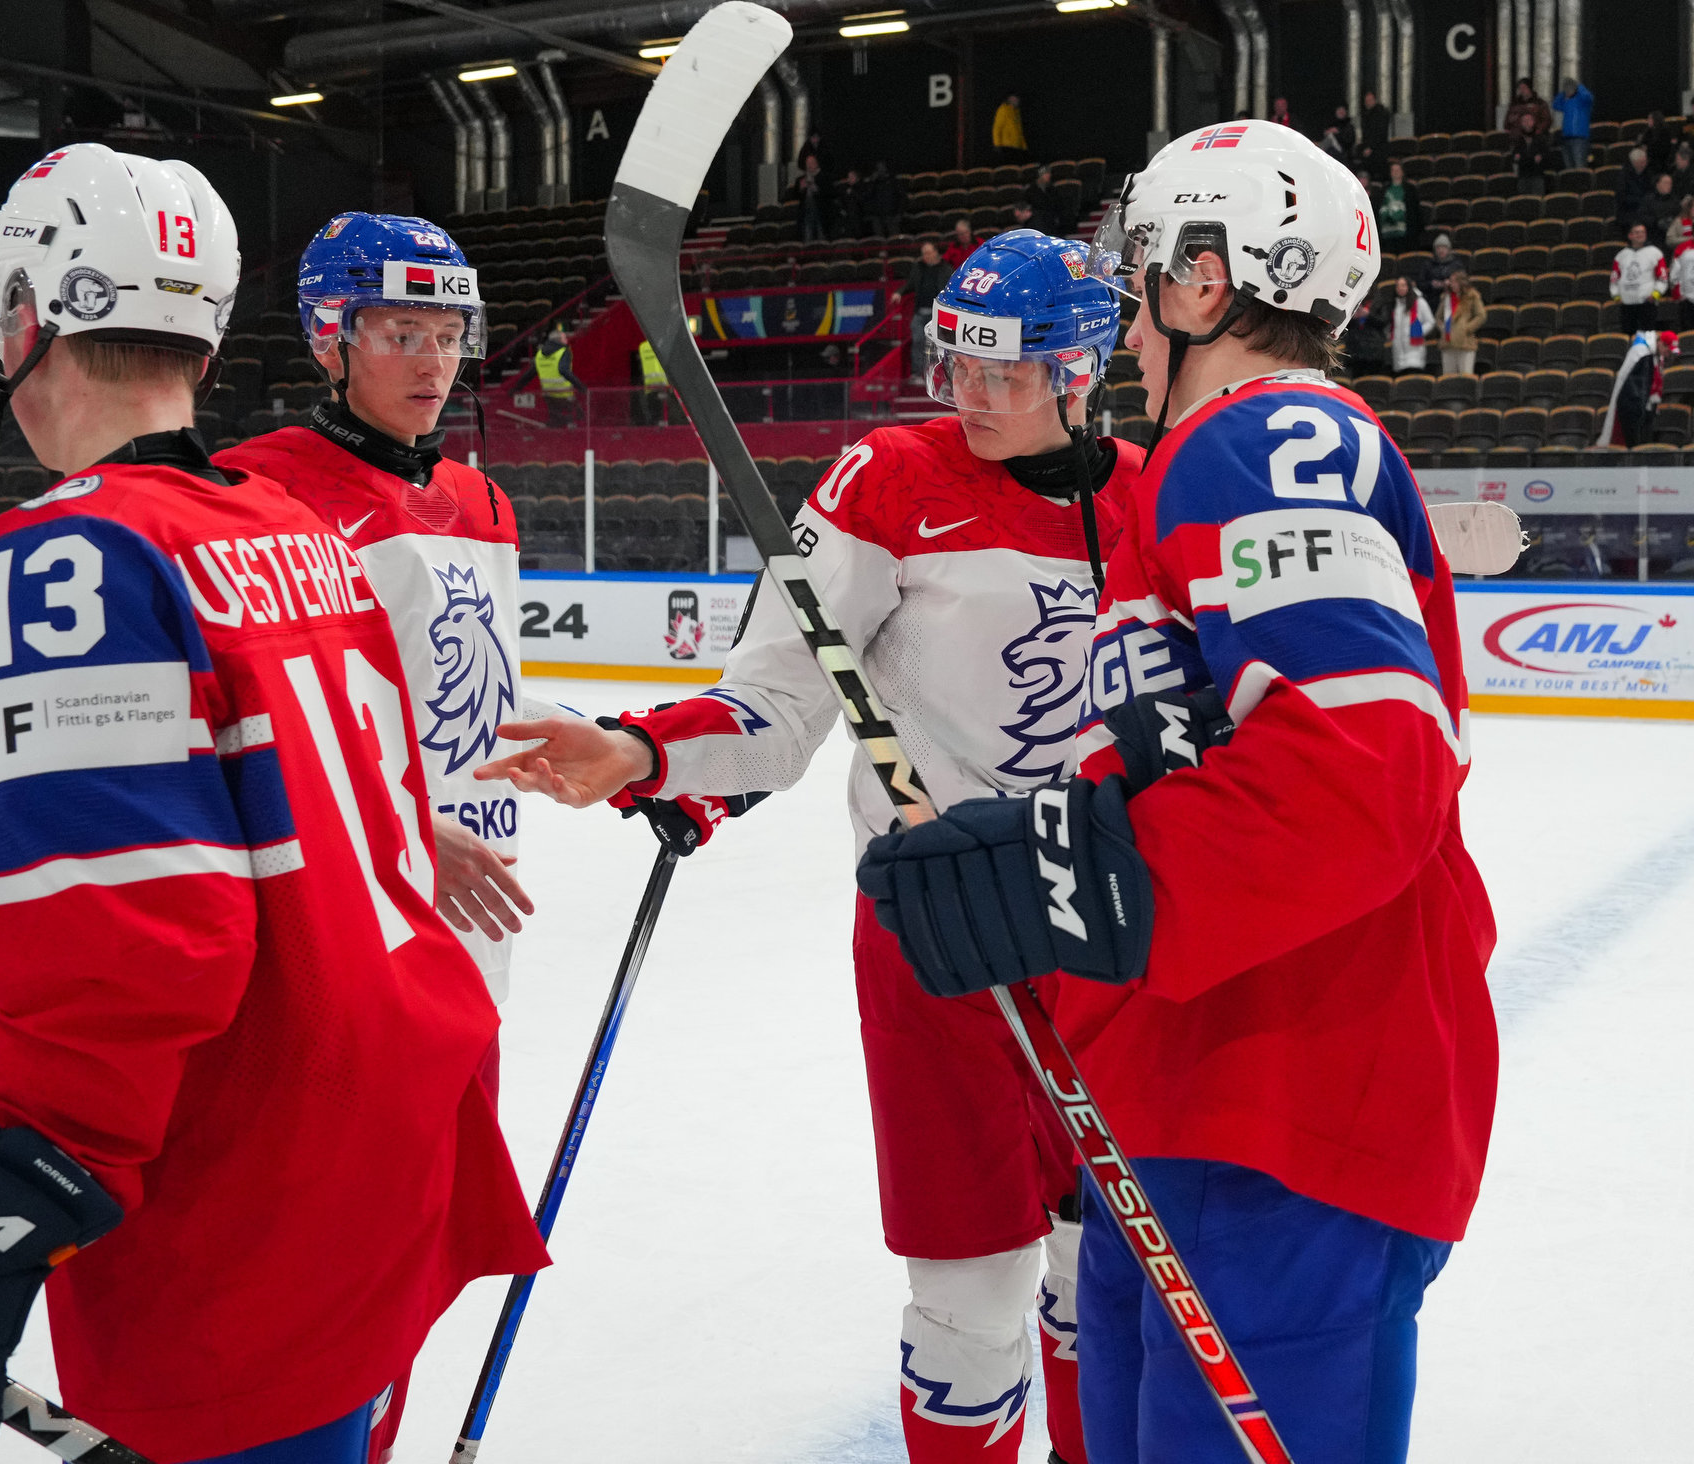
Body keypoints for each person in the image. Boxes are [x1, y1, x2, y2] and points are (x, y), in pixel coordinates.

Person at [0, 145, 549, 1464]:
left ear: (26, 317)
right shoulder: (292, 528)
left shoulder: (62, 561)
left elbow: (134, 950)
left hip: (244, 1186)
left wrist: (0, 1190)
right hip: (395, 1119)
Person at [858, 117, 1496, 1464]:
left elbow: (1359, 777)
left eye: (1141, 272)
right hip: (1198, 1104)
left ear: (1206, 281)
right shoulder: (1219, 464)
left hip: (1283, 1119)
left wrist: (1059, 876)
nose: (1129, 322)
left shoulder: (1260, 443)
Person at [476, 228, 1143, 1464]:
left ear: (1082, 367)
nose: (976, 397)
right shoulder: (888, 477)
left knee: (1101, 1261)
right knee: (970, 1285)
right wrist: (644, 750)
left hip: (1106, 924)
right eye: (959, 365)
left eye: (1009, 372)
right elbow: (778, 697)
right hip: (939, 934)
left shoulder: (1150, 491)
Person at [216, 213, 574, 1001]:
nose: (435, 364)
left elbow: (443, 686)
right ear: (325, 337)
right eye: (403, 333)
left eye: (450, 335)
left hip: (475, 911)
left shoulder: (482, 502)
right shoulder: (254, 492)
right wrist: (393, 832)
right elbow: (246, 722)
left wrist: (608, 740)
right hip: (337, 910)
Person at [903, 239, 953, 381]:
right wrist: (899, 293)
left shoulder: (946, 269)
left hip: (938, 314)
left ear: (936, 252)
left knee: (940, 344)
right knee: (918, 341)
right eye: (924, 254)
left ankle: (941, 374)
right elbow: (910, 284)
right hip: (920, 312)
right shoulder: (918, 268)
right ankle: (918, 373)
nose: (927, 256)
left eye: (929, 253)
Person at [1613, 220, 1667, 332]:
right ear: (1630, 235)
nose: (1640, 234)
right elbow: (1614, 278)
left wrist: (1656, 293)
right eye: (1637, 232)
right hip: (1627, 304)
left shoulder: (1655, 253)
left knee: (1647, 335)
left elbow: (1662, 277)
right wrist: (1616, 296)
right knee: (1628, 335)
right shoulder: (1621, 255)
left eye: (1642, 232)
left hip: (1647, 303)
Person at [534, 321, 582, 427]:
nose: (566, 340)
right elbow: (563, 370)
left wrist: (516, 388)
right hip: (564, 393)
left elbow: (530, 373)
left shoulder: (540, 354)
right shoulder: (564, 351)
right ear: (559, 340)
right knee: (572, 418)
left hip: (548, 394)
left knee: (555, 422)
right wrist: (580, 386)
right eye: (564, 338)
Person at [1439, 268, 1485, 376]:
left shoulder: (1472, 296)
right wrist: (1442, 328)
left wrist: (1467, 328)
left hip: (1465, 343)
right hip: (1447, 343)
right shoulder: (1447, 298)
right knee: (1448, 379)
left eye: (1454, 281)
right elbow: (1438, 317)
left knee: (1465, 377)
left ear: (1461, 282)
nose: (1451, 284)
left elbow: (1481, 315)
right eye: (1451, 281)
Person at [1390, 274, 1436, 374]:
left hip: (1414, 351)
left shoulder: (1419, 302)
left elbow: (1430, 321)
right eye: (1398, 286)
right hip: (1399, 353)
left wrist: (1418, 331)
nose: (1400, 288)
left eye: (1403, 285)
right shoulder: (1396, 304)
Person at [1552, 76, 1593, 172]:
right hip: (1566, 138)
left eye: (1569, 89)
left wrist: (1578, 86)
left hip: (1580, 138)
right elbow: (1555, 105)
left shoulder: (1583, 101)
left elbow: (1588, 97)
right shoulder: (1566, 101)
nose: (1568, 91)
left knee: (1580, 167)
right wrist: (1563, 94)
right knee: (1568, 168)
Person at [1378, 158, 1418, 251]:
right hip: (1386, 234)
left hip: (1404, 235)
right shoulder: (1383, 190)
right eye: (1393, 170)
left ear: (1402, 172)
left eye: (1398, 170)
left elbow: (1414, 211)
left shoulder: (1410, 189)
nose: (1395, 172)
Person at [1511, 110, 1555, 195]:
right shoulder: (1518, 141)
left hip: (1537, 176)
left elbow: (1547, 157)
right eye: (1524, 121)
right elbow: (1515, 158)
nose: (1527, 123)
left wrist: (1539, 158)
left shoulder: (1541, 139)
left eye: (1529, 120)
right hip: (1523, 177)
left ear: (1534, 122)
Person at [1616, 145, 1656, 233]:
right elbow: (1622, 197)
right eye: (1642, 162)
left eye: (1645, 161)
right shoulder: (1623, 176)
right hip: (1628, 211)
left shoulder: (1648, 173)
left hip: (1645, 210)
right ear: (1634, 162)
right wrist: (1641, 200)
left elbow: (1651, 191)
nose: (1644, 164)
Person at [1422, 230, 1468, 303]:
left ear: (1449, 249)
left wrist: (1451, 283)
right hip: (1432, 299)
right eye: (1438, 248)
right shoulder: (1428, 264)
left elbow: (1464, 281)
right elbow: (1420, 283)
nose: (1441, 250)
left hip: (1453, 298)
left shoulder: (1457, 264)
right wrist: (1431, 284)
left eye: (1444, 247)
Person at [1638, 171, 1680, 249]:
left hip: (1669, 237)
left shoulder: (1675, 201)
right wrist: (1656, 222)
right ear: (1658, 184)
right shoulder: (1648, 199)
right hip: (1653, 236)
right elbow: (1642, 216)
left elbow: (1679, 216)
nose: (1668, 186)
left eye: (1670, 183)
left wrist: (1672, 222)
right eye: (1665, 183)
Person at [865, 160, 907, 237]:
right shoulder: (873, 183)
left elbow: (902, 198)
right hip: (877, 216)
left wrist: (899, 213)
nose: (879, 170)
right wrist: (871, 182)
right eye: (878, 168)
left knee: (894, 239)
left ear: (885, 168)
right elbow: (867, 196)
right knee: (879, 239)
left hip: (892, 215)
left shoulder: (894, 181)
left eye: (881, 167)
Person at [1357, 88, 1392, 173]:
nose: (1368, 102)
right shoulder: (1365, 115)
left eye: (1370, 100)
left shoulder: (1381, 113)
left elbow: (1381, 133)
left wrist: (1371, 147)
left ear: (1375, 100)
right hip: (1370, 148)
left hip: (1378, 150)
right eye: (1367, 100)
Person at [797, 153, 829, 243]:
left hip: (821, 211)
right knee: (808, 235)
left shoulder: (823, 177)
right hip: (806, 212)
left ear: (816, 163)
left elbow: (829, 193)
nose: (809, 165)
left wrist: (815, 187)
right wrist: (801, 189)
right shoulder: (801, 178)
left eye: (811, 163)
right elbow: (795, 196)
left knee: (821, 234)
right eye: (807, 163)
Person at [836, 166, 869, 238]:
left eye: (852, 177)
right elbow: (841, 199)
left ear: (857, 178)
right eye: (848, 177)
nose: (849, 179)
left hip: (859, 218)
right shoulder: (845, 188)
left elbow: (863, 200)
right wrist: (842, 209)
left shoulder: (861, 187)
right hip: (848, 218)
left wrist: (853, 192)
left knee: (859, 235)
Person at [993, 92, 1028, 160]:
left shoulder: (1017, 112)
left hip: (1017, 147)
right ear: (1009, 99)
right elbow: (997, 128)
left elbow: (1019, 131)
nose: (1016, 100)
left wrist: (1024, 146)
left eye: (1017, 98)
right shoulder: (1003, 109)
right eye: (1014, 98)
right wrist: (997, 145)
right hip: (1007, 147)